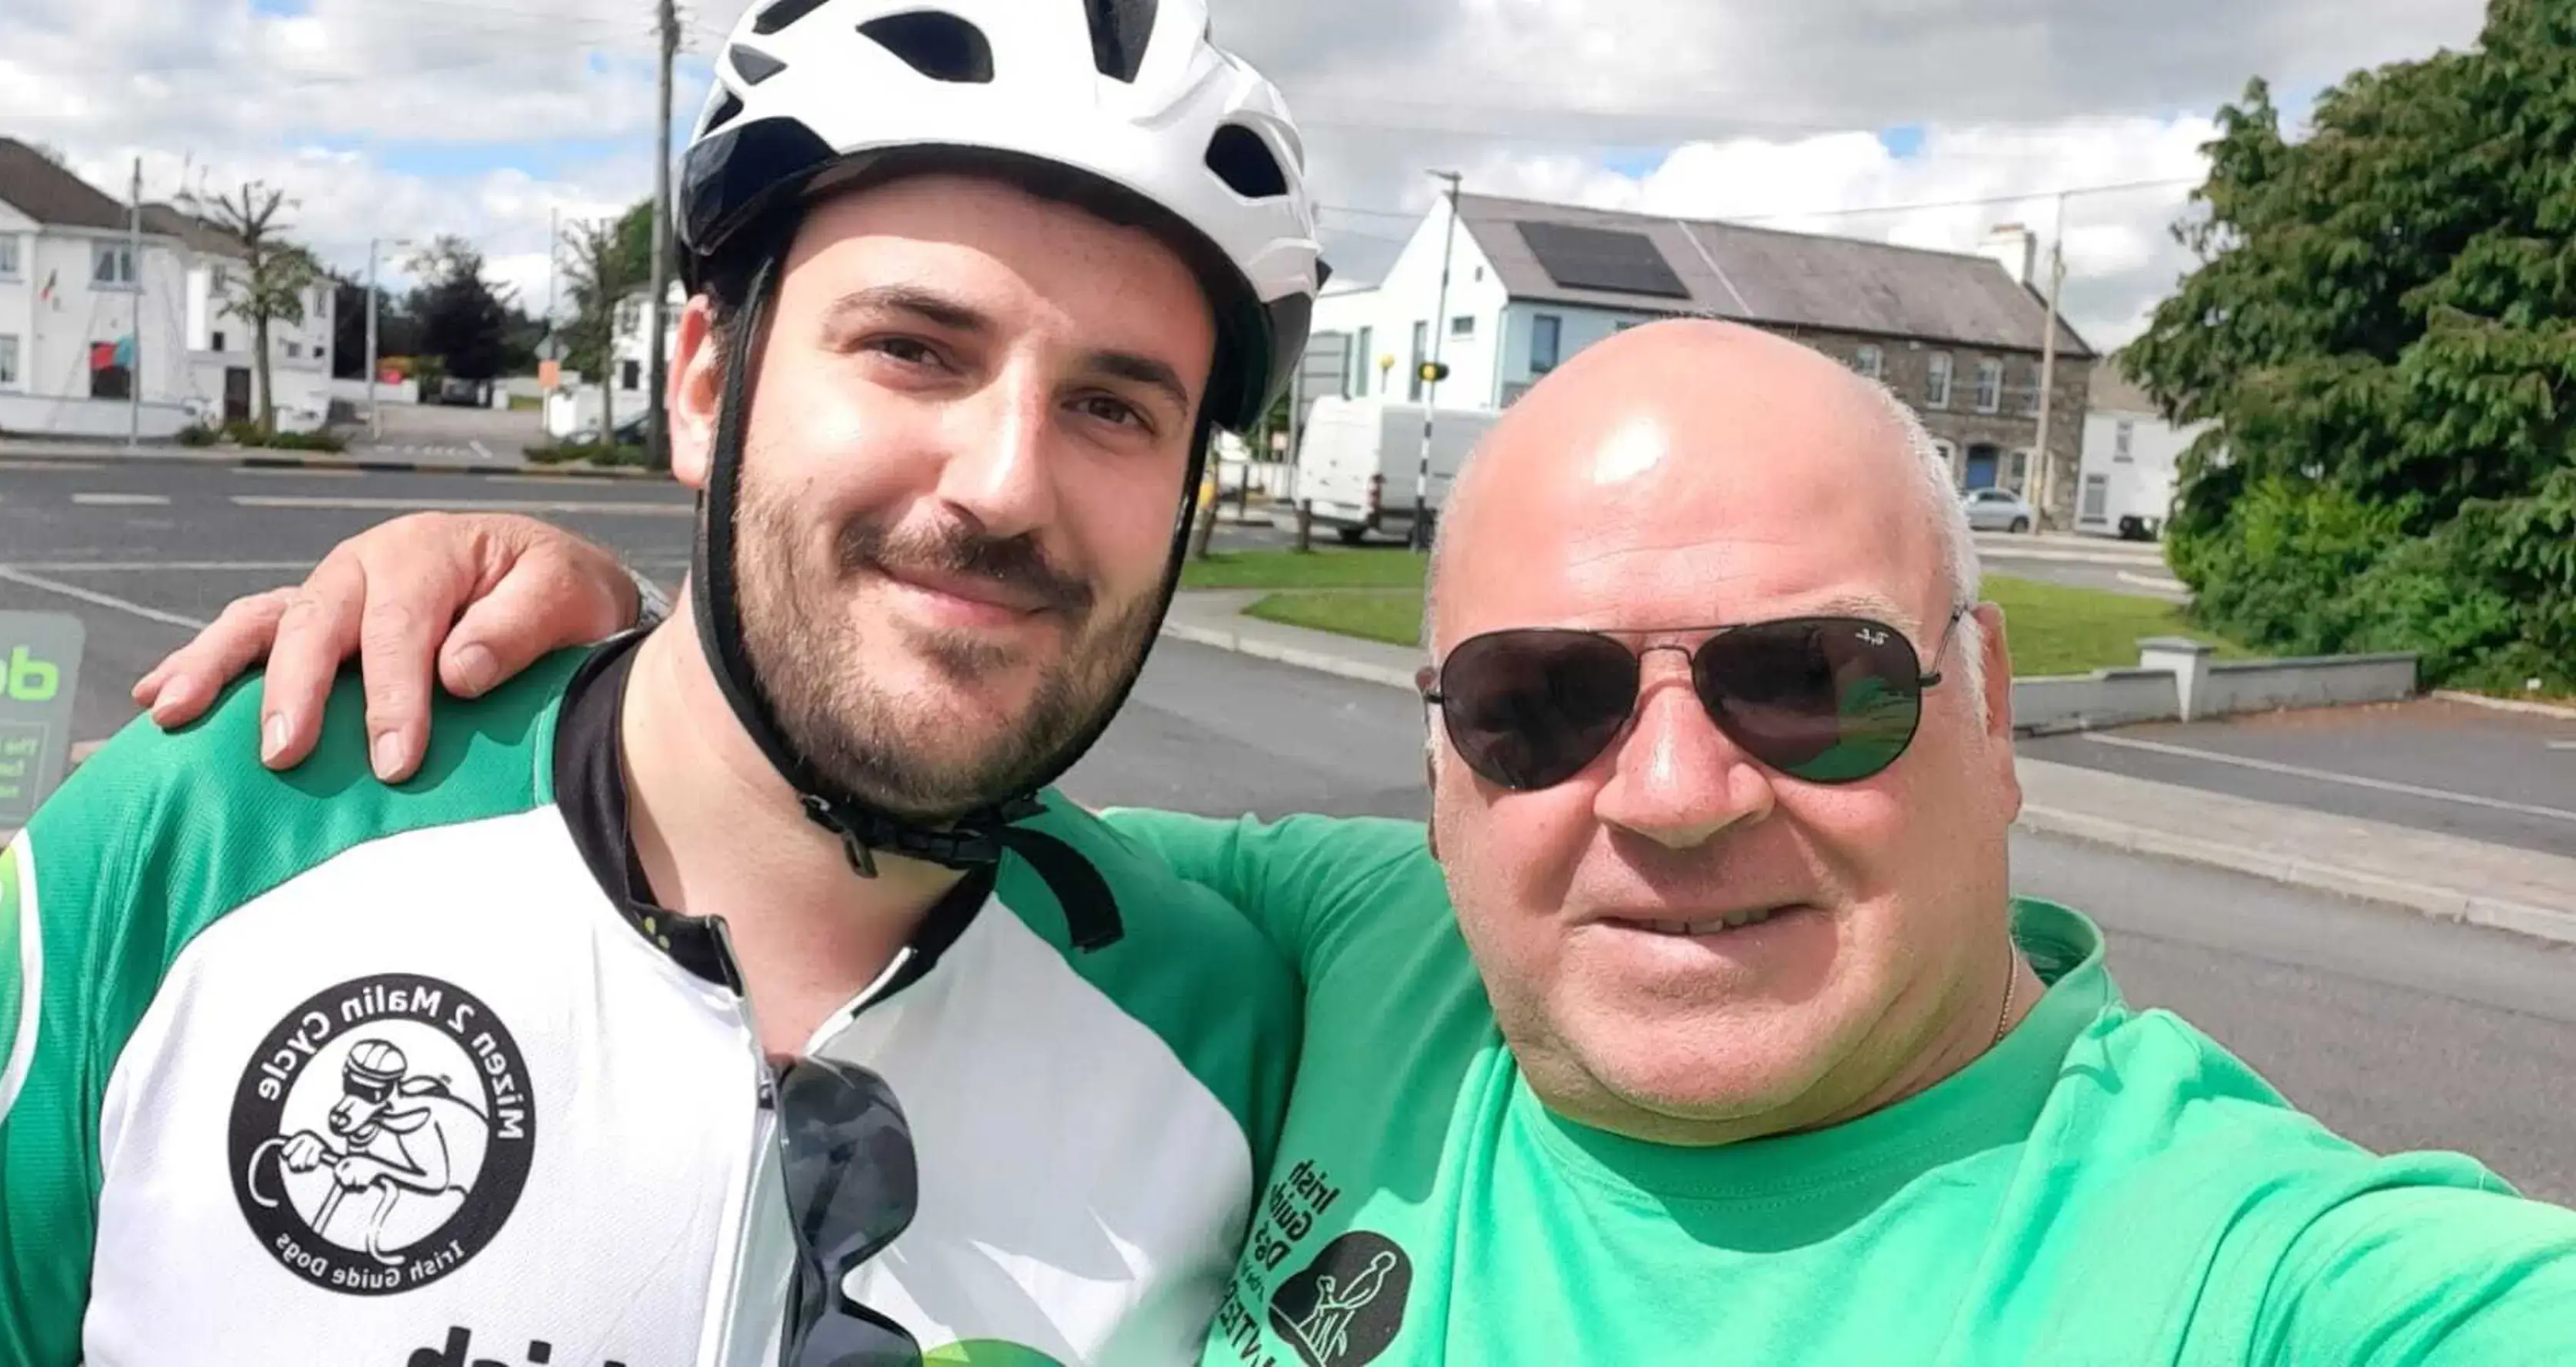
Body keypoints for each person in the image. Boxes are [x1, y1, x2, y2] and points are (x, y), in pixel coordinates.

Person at [152, 318, 2576, 1363]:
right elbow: (857, 774)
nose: (1670, 790)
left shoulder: (2239, 1269)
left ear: (1995, 713)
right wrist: (583, 644)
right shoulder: (1359, 947)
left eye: (1806, 681)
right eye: (1537, 704)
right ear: (1435, 767)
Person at [0, 1, 1331, 1362]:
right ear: (706, 381)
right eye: (914, 348)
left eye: (1117, 408)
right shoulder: (211, 835)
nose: (1003, 485)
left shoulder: (1233, 1031)